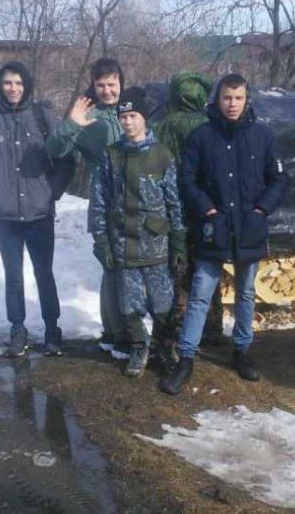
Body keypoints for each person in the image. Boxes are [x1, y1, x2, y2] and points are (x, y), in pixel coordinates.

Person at [160, 73, 286, 395]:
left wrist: (261, 211)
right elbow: (187, 180)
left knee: (245, 293)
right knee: (201, 293)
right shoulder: (202, 136)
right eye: (227, 98)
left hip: (249, 227)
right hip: (212, 227)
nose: (232, 104)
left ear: (247, 100)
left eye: (239, 98)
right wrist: (208, 209)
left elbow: (278, 179)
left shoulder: (263, 135)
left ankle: (242, 351)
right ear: (217, 99)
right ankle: (186, 358)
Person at [0, 61, 67, 358]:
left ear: (27, 85)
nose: (13, 88)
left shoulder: (41, 116)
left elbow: (66, 159)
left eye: (19, 83)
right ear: (0, 85)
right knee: (14, 276)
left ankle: (52, 330)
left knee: (44, 273)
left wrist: (52, 192)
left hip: (40, 214)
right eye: (8, 83)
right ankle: (18, 330)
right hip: (6, 217)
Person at [88, 87, 186, 376]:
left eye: (133, 116)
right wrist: (102, 240)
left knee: (163, 304)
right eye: (123, 116)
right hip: (123, 244)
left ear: (144, 118)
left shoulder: (162, 155)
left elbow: (174, 202)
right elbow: (100, 200)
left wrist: (179, 242)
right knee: (129, 306)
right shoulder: (111, 156)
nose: (128, 122)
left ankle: (165, 347)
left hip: (155, 244)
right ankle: (139, 348)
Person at [45, 58, 129, 357]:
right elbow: (54, 149)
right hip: (105, 199)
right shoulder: (88, 116)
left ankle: (132, 330)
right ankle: (114, 334)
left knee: (133, 265)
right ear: (93, 85)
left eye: (112, 84)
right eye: (101, 85)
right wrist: (71, 124)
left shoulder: (130, 110)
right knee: (112, 266)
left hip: (137, 201)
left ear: (121, 82)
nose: (107, 90)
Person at [152, 72, 226, 346]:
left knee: (178, 268)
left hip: (174, 207)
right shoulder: (213, 124)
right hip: (207, 206)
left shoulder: (162, 125)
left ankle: (176, 329)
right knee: (208, 268)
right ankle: (213, 327)